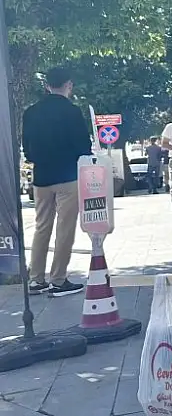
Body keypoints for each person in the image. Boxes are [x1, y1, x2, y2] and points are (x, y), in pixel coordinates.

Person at [21, 67, 91, 297]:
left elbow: (28, 150)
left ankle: (36, 279)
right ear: (68, 85)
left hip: (41, 178)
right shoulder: (72, 111)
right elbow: (83, 147)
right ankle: (59, 279)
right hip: (68, 176)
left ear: (46, 85)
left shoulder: (30, 112)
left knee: (42, 227)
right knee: (65, 228)